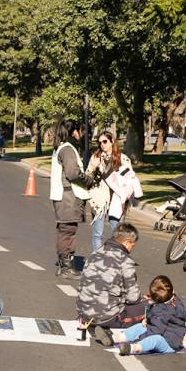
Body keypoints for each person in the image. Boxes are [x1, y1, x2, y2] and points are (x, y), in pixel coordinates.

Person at [76, 223, 146, 345]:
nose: (131, 249)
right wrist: (144, 299)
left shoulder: (95, 253)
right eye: (132, 245)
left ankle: (92, 323)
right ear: (127, 242)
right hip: (107, 316)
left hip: (83, 312)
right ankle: (107, 329)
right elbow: (133, 298)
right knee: (150, 308)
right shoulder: (125, 261)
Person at [50, 119, 93, 278]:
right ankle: (66, 268)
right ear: (74, 131)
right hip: (68, 197)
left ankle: (64, 265)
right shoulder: (68, 149)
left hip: (63, 196)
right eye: (80, 131)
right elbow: (73, 173)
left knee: (64, 231)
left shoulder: (61, 147)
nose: (81, 135)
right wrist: (87, 179)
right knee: (68, 231)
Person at [112, 276, 186, 355]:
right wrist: (148, 319)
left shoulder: (163, 312)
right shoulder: (172, 300)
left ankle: (134, 348)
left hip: (169, 343)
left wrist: (139, 338)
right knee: (141, 326)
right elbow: (156, 320)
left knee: (155, 340)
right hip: (162, 331)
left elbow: (155, 331)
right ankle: (116, 338)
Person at [86, 131, 132, 252]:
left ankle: (114, 260)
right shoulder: (96, 157)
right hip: (99, 199)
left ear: (112, 141)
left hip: (116, 200)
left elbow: (130, 178)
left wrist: (126, 195)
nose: (102, 144)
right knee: (97, 234)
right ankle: (98, 260)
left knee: (116, 234)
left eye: (105, 141)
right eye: (100, 142)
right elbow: (87, 177)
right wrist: (93, 167)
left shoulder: (122, 158)